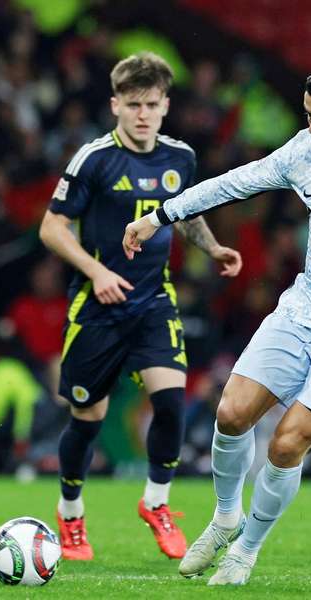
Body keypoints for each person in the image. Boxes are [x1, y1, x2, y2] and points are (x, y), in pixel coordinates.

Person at [122, 63, 311, 586]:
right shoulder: (305, 152)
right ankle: (225, 517)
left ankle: (246, 549)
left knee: (286, 445)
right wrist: (160, 217)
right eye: (308, 115)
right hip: (301, 310)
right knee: (231, 413)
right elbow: (234, 184)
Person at [38, 51, 242, 561]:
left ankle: (157, 502)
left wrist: (212, 247)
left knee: (170, 403)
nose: (143, 113)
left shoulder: (181, 158)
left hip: (154, 300)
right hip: (98, 308)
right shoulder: (93, 158)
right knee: (87, 419)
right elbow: (51, 227)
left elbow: (186, 213)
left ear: (167, 104)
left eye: (152, 103)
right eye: (133, 104)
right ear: (115, 105)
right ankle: (70, 515)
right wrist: (97, 271)